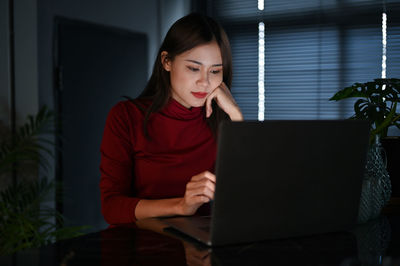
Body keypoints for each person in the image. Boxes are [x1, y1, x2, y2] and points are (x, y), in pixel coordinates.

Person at [99, 13, 243, 226]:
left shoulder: (222, 121)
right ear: (167, 61)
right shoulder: (126, 117)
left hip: (200, 249)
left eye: (215, 71)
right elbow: (111, 207)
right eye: (194, 68)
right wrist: (180, 206)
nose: (204, 82)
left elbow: (247, 197)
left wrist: (237, 116)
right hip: (142, 248)